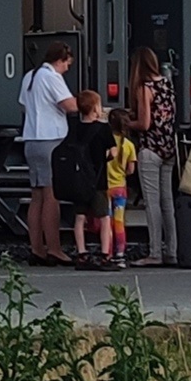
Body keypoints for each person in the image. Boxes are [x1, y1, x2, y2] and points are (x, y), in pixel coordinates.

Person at [20, 42, 77, 265]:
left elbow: (23, 105)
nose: (67, 69)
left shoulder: (29, 76)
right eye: (67, 64)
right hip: (50, 140)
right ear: (60, 60)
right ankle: (54, 248)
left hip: (31, 139)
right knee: (52, 197)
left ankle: (36, 248)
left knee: (36, 197)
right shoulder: (51, 77)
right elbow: (69, 105)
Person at [130, 47, 178, 266]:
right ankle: (172, 251)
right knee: (167, 201)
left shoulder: (145, 87)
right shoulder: (167, 84)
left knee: (152, 203)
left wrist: (125, 123)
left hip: (150, 148)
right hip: (169, 147)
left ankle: (155, 252)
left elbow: (144, 123)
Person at [68, 90, 117, 270]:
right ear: (96, 108)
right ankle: (105, 255)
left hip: (79, 180)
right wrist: (104, 159)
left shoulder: (74, 128)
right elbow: (113, 152)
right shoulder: (103, 129)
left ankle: (81, 254)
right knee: (104, 218)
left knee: (80, 218)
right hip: (98, 181)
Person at [106, 108, 137, 267]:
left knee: (107, 222)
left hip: (105, 187)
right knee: (119, 222)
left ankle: (108, 252)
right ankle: (120, 255)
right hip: (120, 188)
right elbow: (131, 170)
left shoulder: (106, 141)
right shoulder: (129, 145)